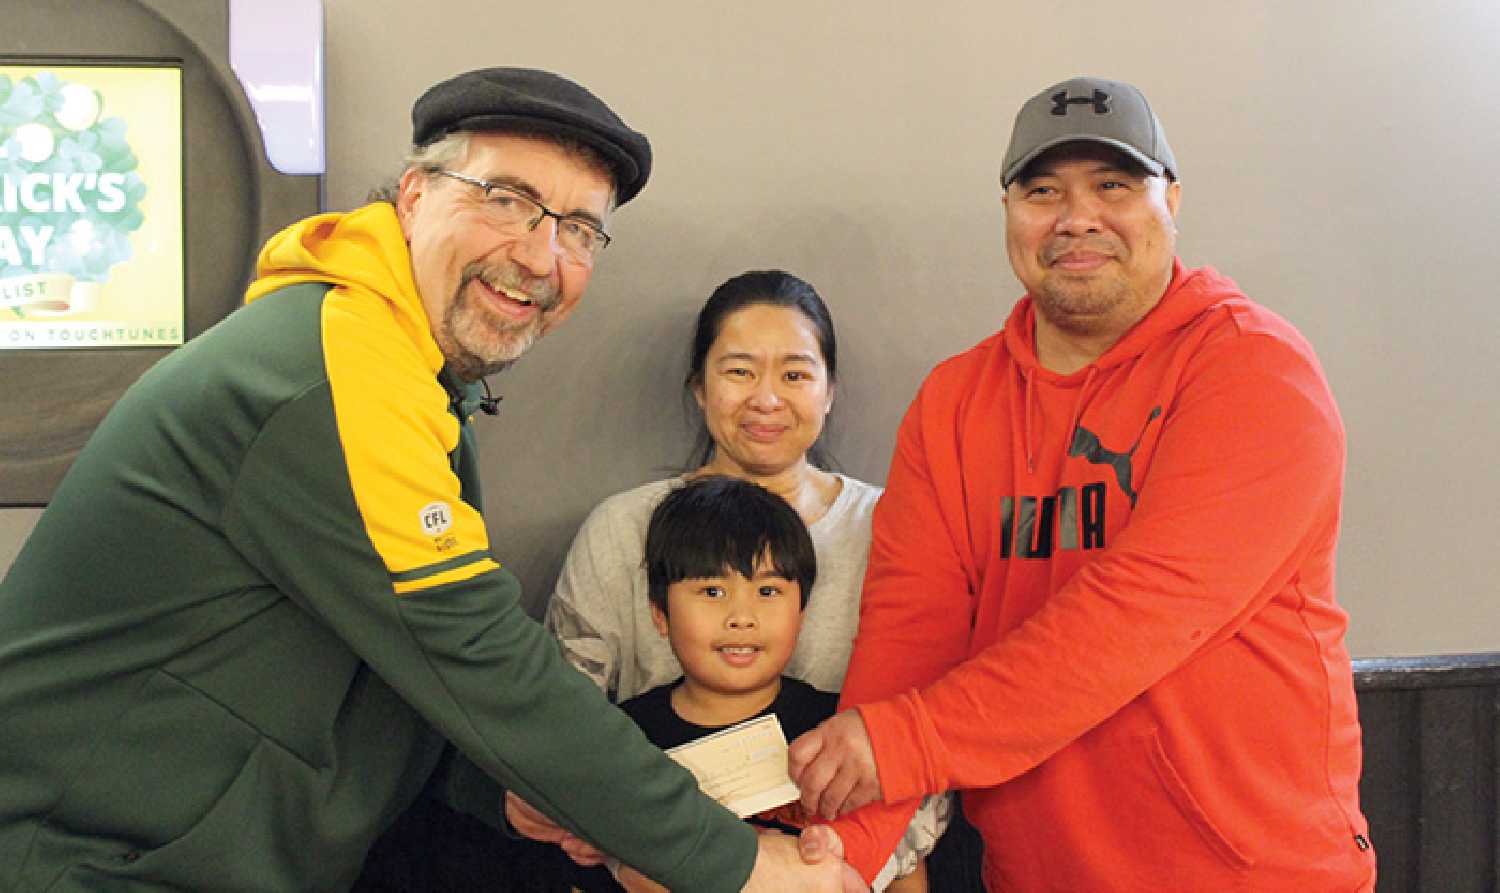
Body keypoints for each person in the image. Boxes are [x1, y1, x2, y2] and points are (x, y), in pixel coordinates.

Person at [0, 67, 847, 892]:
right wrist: (733, 865)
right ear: (412, 195)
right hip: (90, 862)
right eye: (506, 199)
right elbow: (469, 644)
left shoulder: (408, 371)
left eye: (579, 228)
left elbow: (390, 668)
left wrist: (512, 795)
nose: (539, 254)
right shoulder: (329, 375)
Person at [788, 76, 1377, 891]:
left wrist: (900, 743)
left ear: (1172, 201)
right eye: (1043, 190)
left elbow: (1141, 612)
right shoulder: (954, 404)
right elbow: (907, 643)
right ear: (1008, 212)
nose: (1076, 217)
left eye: (1114, 185)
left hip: (1253, 871)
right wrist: (841, 856)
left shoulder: (1252, 367)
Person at [533, 270, 947, 887]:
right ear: (700, 389)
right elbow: (563, 728)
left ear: (830, 390)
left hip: (845, 867)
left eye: (796, 373)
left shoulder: (895, 530)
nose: (767, 398)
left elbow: (926, 738)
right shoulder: (625, 528)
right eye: (739, 371)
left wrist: (833, 868)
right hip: (661, 856)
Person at [571, 474, 841, 892]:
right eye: (713, 591)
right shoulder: (622, 741)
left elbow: (904, 860)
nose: (741, 617)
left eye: (768, 591)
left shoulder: (835, 728)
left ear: (802, 613)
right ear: (660, 614)